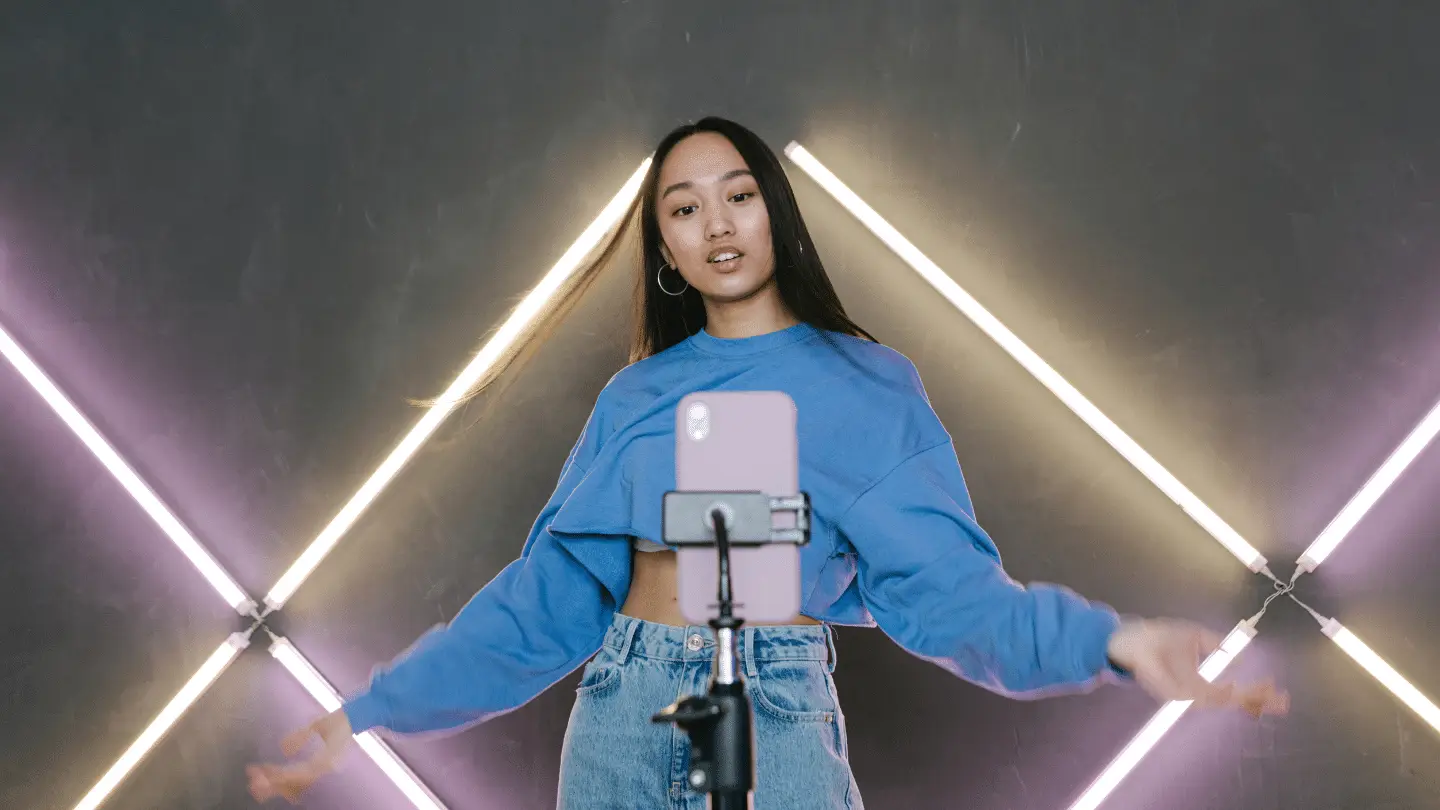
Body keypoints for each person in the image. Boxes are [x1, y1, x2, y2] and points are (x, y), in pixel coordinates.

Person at [247, 117, 1289, 808]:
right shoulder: (635, 395)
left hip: (777, 706)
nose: (716, 223)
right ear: (664, 248)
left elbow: (958, 602)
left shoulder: (867, 386)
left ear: (775, 213)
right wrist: (371, 707)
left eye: (737, 195)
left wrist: (1116, 644)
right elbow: (541, 609)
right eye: (684, 208)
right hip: (620, 709)